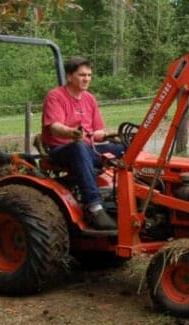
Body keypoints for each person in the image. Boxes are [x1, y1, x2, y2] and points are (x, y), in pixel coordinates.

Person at [41, 56, 125, 230]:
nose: (86, 79)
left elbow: (97, 132)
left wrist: (111, 135)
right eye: (82, 75)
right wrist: (72, 133)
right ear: (70, 76)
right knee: (79, 147)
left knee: (126, 147)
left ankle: (129, 198)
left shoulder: (90, 99)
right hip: (62, 150)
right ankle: (94, 207)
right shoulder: (55, 96)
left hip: (88, 148)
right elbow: (54, 127)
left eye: (89, 75)